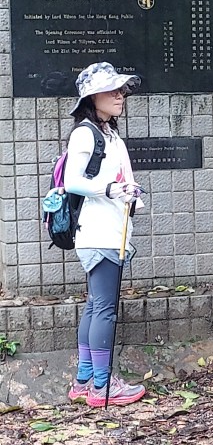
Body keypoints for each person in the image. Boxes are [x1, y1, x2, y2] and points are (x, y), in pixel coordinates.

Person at [65, 61, 146, 408]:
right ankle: (102, 386)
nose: (120, 95)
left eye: (121, 89)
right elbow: (73, 181)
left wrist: (125, 192)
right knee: (105, 310)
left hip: (107, 230)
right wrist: (111, 189)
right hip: (100, 233)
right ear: (91, 97)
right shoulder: (86, 133)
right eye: (111, 90)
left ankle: (85, 381)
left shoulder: (108, 132)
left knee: (96, 305)